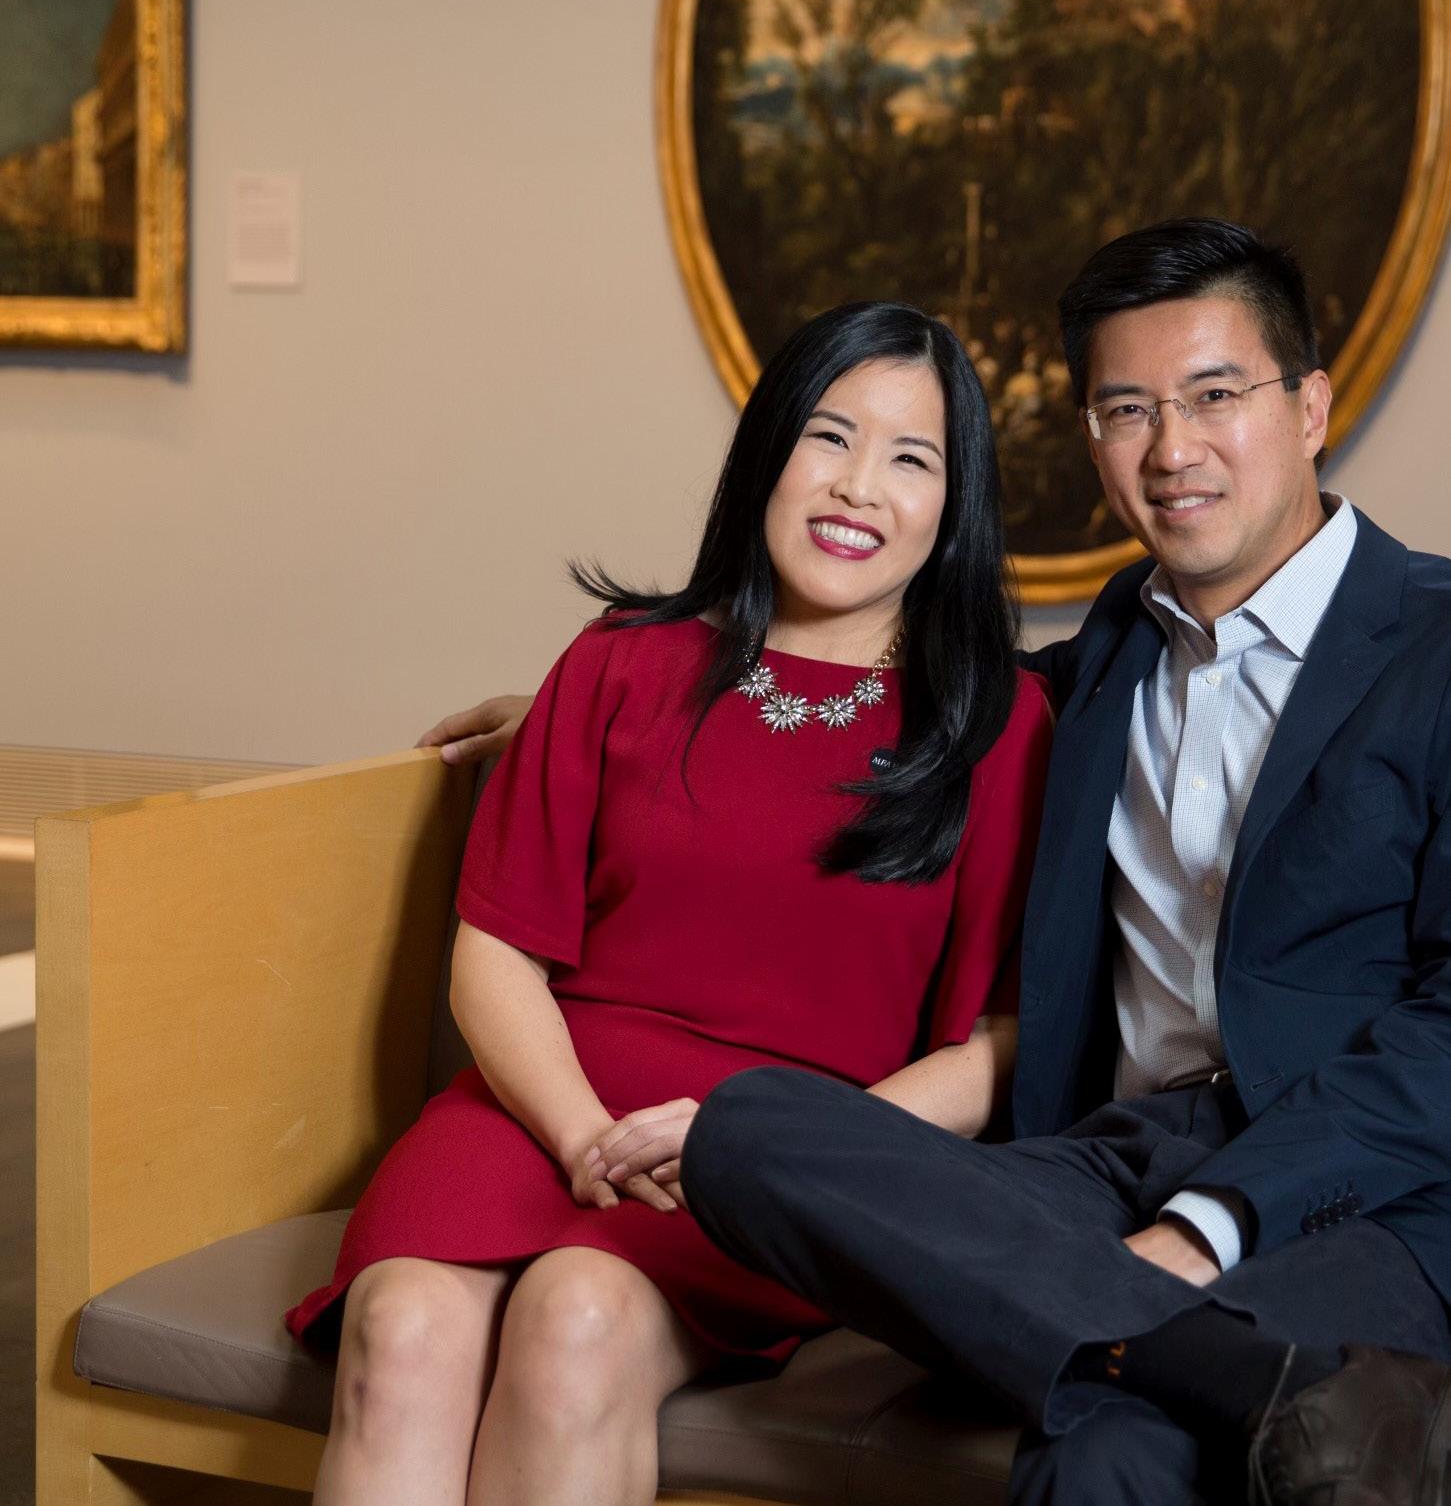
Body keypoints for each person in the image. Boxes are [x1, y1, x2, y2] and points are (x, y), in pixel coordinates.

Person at [434, 221, 1451, 1505]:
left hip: (1359, 1189)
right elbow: (878, 705)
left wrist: (1205, 1231)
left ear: (1307, 407)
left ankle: (1190, 1354)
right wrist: (592, 714)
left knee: (1105, 1445)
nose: (1169, 448)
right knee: (750, 1131)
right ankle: (1209, 1358)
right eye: (1125, 409)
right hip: (1109, 1154)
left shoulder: (1432, 646)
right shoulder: (1108, 657)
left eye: (1211, 396)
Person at [292, 300, 1053, 1506]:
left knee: (578, 1316)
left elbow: (991, 1044)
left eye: (911, 459)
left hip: (779, 1165)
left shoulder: (996, 727)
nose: (856, 486)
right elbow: (495, 952)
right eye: (827, 436)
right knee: (403, 1332)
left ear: (952, 506)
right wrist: (581, 1135)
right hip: (537, 1110)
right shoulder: (619, 661)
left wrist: (768, 1153)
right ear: (767, 450)